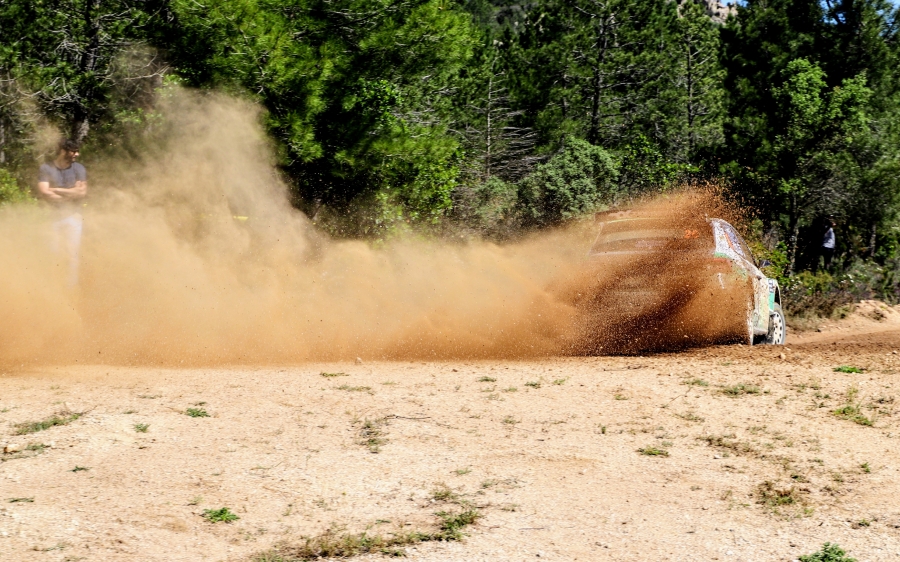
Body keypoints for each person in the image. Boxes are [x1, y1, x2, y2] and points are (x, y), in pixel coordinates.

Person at [37, 138, 87, 286]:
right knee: (53, 254)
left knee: (72, 255)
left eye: (77, 151)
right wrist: (71, 193)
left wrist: (57, 190)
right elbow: (44, 193)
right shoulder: (46, 168)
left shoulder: (79, 168)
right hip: (52, 218)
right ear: (63, 151)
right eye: (73, 151)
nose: (76, 154)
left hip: (74, 217)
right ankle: (53, 287)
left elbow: (82, 192)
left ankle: (71, 289)